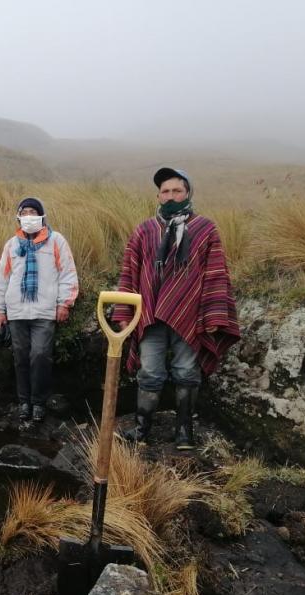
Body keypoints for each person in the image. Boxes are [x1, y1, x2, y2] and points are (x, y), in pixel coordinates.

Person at [112, 167, 240, 449]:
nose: (171, 196)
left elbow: (215, 273)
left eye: (177, 190)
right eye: (166, 191)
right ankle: (142, 429)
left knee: (186, 371)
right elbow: (129, 273)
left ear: (188, 193)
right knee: (150, 373)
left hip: (189, 315)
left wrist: (214, 315)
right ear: (158, 196)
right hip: (150, 315)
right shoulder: (144, 230)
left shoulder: (205, 229)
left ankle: (184, 432)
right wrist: (124, 313)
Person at [0, 197, 79, 422]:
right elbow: (2, 278)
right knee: (20, 357)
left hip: (44, 311)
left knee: (40, 355)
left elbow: (67, 273)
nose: (28, 216)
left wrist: (64, 303)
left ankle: (38, 402)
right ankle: (24, 402)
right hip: (17, 312)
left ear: (41, 216)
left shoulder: (56, 241)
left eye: (33, 212)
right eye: (24, 212)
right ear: (19, 217)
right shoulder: (12, 245)